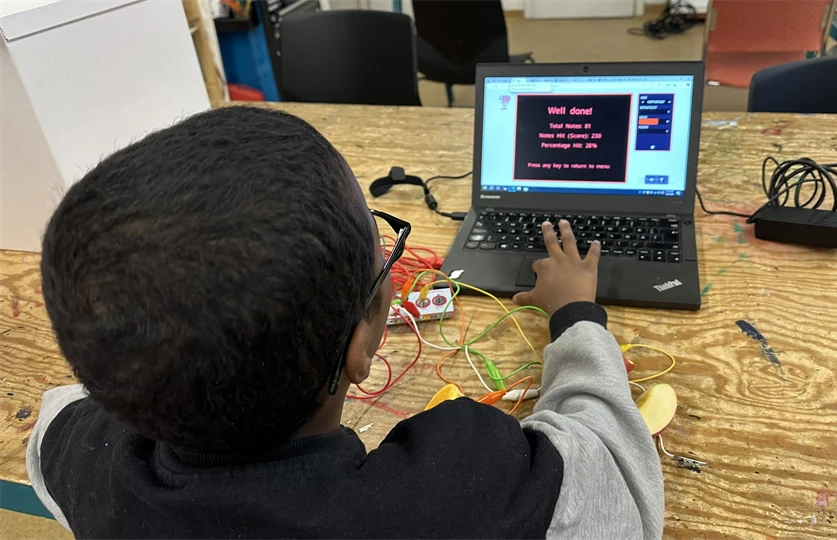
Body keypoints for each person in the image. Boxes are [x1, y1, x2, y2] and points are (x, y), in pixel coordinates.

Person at [27, 106, 663, 540]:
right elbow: (623, 489)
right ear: (362, 347)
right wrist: (577, 313)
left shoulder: (81, 461)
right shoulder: (459, 496)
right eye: (379, 247)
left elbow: (58, 411)